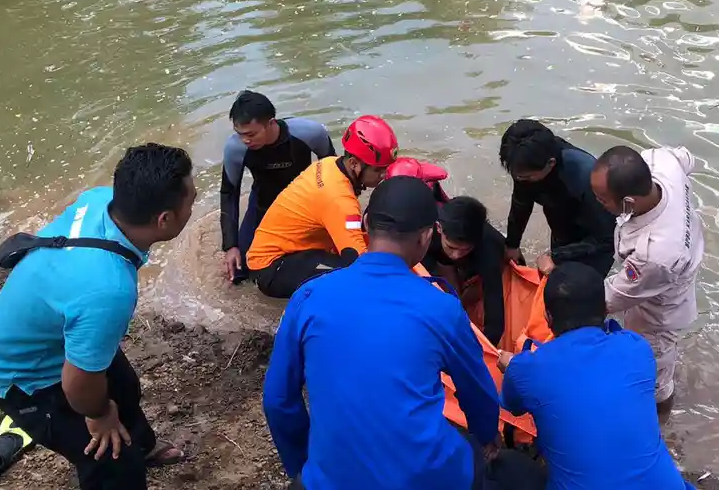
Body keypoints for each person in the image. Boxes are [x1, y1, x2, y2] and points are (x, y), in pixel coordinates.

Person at [0, 144, 196, 490]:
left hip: (44, 327)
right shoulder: (109, 290)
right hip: (18, 368)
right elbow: (77, 386)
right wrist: (99, 415)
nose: (193, 204)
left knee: (124, 387)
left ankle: (142, 445)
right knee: (111, 461)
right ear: (164, 219)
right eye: (191, 201)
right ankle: (123, 462)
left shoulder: (100, 200)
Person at [263, 176, 505, 490]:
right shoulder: (442, 307)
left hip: (329, 480)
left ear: (365, 223)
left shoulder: (308, 298)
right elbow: (477, 391)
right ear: (427, 236)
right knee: (476, 456)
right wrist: (487, 435)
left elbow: (278, 400)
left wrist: (303, 468)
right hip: (426, 479)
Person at [499, 263, 691, 490]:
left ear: (547, 317)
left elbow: (513, 406)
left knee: (506, 466)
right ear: (606, 309)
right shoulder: (638, 348)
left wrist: (511, 366)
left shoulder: (527, 368)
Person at [590, 144, 704, 426]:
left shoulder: (655, 254)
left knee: (655, 372)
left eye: (602, 199)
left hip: (661, 307)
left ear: (629, 203)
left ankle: (661, 427)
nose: (597, 203)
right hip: (679, 256)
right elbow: (686, 157)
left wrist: (569, 300)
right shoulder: (660, 161)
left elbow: (610, 298)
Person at [245, 115, 397, 298]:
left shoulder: (330, 164)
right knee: (358, 278)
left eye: (387, 167)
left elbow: (345, 223)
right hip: (271, 268)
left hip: (284, 250)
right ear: (354, 163)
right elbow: (358, 262)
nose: (384, 175)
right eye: (378, 169)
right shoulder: (339, 199)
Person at [220, 91, 336, 284]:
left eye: (251, 134)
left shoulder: (309, 133)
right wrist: (230, 245)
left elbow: (333, 173)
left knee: (328, 258)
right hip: (264, 205)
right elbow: (229, 193)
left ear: (271, 123)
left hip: (305, 205)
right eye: (240, 134)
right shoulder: (235, 148)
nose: (246, 140)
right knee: (240, 271)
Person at [498, 119, 614, 276]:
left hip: (594, 240)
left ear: (550, 164)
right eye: (516, 176)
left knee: (581, 286)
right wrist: (512, 244)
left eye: (526, 177)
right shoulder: (524, 164)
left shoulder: (586, 177)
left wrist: (556, 257)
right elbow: (521, 203)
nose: (520, 181)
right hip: (560, 224)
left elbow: (607, 238)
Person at [422, 196, 509, 346]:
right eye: (452, 247)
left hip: (477, 263)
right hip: (438, 255)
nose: (456, 255)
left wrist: (485, 349)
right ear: (438, 228)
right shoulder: (425, 229)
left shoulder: (489, 248)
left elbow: (495, 317)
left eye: (464, 249)